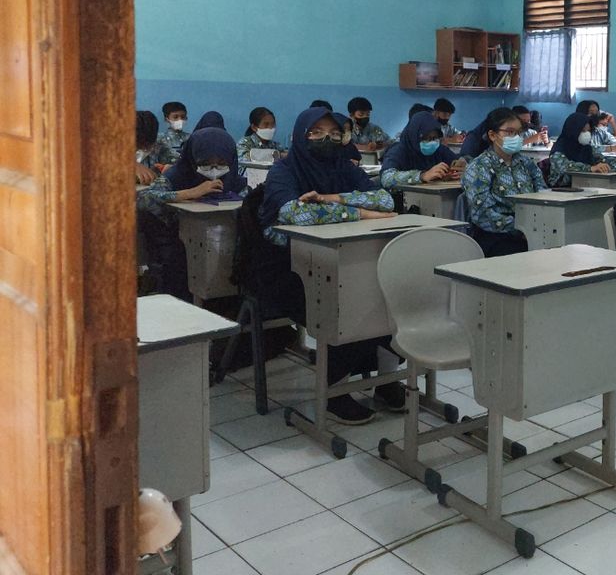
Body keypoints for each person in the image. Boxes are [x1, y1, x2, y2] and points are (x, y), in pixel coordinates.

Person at [259, 107, 401, 424]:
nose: (327, 138)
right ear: (300, 135)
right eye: (316, 132)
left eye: (334, 133)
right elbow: (295, 213)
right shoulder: (283, 170)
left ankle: (387, 381)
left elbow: (386, 201)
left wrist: (332, 199)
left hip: (343, 257)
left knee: (384, 291)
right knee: (346, 301)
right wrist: (362, 214)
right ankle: (334, 390)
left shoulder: (342, 166)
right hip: (287, 269)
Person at [137, 128, 249, 301]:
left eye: (221, 163)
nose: (214, 170)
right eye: (205, 163)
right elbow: (144, 198)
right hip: (179, 242)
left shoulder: (238, 183)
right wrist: (189, 193)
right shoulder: (176, 175)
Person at [461, 107, 546, 256]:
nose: (517, 137)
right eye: (510, 132)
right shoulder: (479, 167)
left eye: (519, 132)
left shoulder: (527, 164)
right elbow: (482, 214)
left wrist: (535, 227)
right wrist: (520, 228)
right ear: (493, 135)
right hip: (497, 237)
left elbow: (543, 197)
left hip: (532, 230)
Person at [380, 111, 462, 188]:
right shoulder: (399, 150)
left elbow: (458, 163)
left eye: (435, 138)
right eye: (426, 138)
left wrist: (450, 172)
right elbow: (386, 178)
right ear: (414, 136)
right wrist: (422, 176)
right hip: (402, 199)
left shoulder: (439, 150)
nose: (432, 142)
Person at [546, 113, 616, 186]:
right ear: (573, 131)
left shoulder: (586, 148)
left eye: (589, 131)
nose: (587, 134)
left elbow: (601, 159)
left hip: (584, 186)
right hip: (560, 190)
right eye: (583, 131)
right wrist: (590, 168)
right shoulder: (559, 149)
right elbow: (565, 167)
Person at [136, 110, 172, 185]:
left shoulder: (159, 146)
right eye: (139, 145)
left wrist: (171, 168)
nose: (144, 149)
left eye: (147, 145)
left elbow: (180, 162)